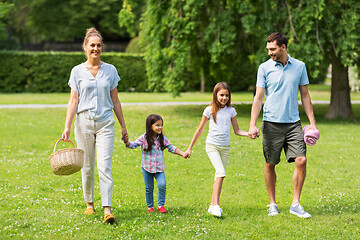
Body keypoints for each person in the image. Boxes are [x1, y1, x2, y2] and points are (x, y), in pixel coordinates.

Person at [62, 27, 128, 224]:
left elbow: (116, 101)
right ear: (85, 47)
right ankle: (89, 204)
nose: (96, 49)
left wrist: (123, 127)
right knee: (87, 166)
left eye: (99, 45)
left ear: (102, 48)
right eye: (92, 45)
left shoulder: (111, 70)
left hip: (106, 122)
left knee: (104, 165)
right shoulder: (77, 72)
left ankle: (107, 208)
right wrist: (67, 126)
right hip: (83, 123)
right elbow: (73, 101)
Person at [248, 32, 318, 218]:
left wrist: (312, 123)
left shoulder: (300, 66)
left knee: (301, 160)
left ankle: (295, 204)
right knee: (270, 163)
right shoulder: (264, 68)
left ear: (283, 47)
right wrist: (252, 124)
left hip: (293, 123)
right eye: (268, 49)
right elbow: (258, 97)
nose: (270, 52)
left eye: (273, 49)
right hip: (271, 123)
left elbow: (305, 96)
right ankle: (273, 203)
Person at [185, 82, 249, 217]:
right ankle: (216, 205)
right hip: (212, 146)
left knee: (218, 175)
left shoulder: (231, 111)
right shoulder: (209, 110)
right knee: (221, 173)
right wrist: (190, 148)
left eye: (226, 95)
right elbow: (199, 130)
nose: (224, 98)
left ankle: (212, 205)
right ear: (215, 95)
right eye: (221, 95)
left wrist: (248, 133)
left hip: (225, 148)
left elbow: (237, 130)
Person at [124, 114, 188, 213]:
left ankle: (161, 205)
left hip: (159, 169)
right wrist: (127, 142)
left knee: (162, 185)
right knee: (149, 188)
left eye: (161, 125)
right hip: (147, 168)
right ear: (150, 126)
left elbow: (172, 148)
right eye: (157, 125)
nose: (160, 127)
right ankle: (150, 207)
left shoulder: (162, 139)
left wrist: (183, 153)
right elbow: (134, 145)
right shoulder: (144, 138)